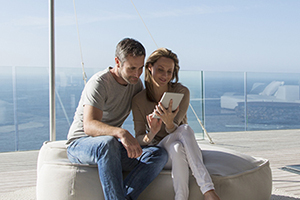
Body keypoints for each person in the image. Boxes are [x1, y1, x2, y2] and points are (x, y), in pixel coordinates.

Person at [66, 38, 168, 200]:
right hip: (81, 144)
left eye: (141, 68)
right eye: (132, 68)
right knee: (108, 143)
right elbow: (89, 126)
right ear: (117, 62)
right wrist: (120, 132)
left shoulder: (136, 85)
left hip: (111, 146)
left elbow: (144, 120)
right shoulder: (99, 83)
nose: (137, 74)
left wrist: (154, 129)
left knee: (159, 154)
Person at [132, 48, 220, 200]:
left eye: (169, 71)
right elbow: (140, 139)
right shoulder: (138, 99)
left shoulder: (181, 92)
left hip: (186, 147)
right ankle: (209, 192)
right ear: (149, 67)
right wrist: (152, 132)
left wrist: (169, 123)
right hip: (160, 152)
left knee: (178, 144)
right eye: (160, 70)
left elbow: (177, 131)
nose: (165, 76)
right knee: (182, 133)